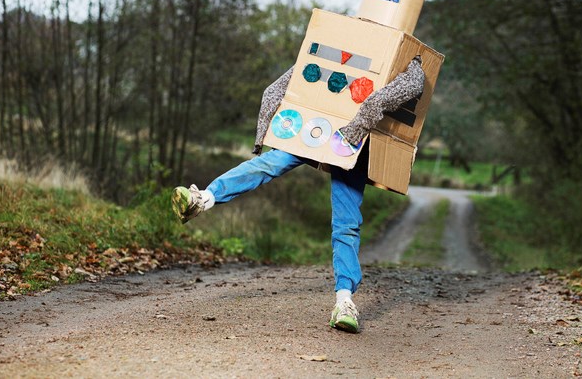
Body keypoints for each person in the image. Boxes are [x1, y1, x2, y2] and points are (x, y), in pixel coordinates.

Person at [171, 56, 425, 333]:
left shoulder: (403, 55)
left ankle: (345, 302)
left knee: (346, 222)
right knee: (269, 164)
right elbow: (282, 85)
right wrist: (263, 133)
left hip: (353, 145)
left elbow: (414, 84)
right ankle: (203, 199)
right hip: (315, 129)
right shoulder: (340, 43)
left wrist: (363, 119)